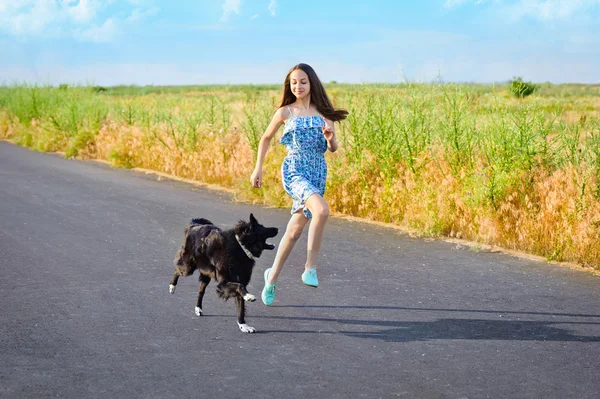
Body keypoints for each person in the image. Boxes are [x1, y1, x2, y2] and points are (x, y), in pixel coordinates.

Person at [250, 63, 348, 306]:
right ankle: (310, 268)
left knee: (294, 231)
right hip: (295, 170)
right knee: (322, 210)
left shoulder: (324, 114)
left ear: (311, 82)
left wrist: (330, 138)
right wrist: (258, 167)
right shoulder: (286, 112)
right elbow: (265, 138)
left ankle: (271, 277)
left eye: (302, 81)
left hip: (317, 172)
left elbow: (334, 149)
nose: (298, 86)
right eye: (294, 82)